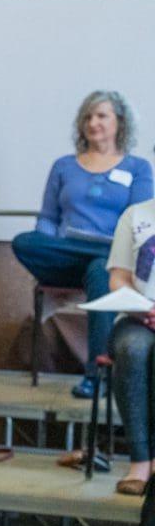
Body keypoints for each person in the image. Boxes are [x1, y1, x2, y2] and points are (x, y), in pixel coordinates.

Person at [12, 91, 154, 398]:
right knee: (23, 242)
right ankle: (94, 260)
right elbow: (48, 219)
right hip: (64, 253)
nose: (93, 122)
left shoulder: (137, 168)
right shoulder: (63, 166)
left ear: (120, 122)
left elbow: (140, 224)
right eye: (88, 117)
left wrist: (113, 255)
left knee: (100, 269)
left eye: (102, 115)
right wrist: (47, 243)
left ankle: (96, 376)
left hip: (111, 258)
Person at [103, 195, 155, 497]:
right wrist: (145, 308)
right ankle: (140, 461)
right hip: (138, 317)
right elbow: (118, 279)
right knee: (132, 350)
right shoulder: (135, 215)